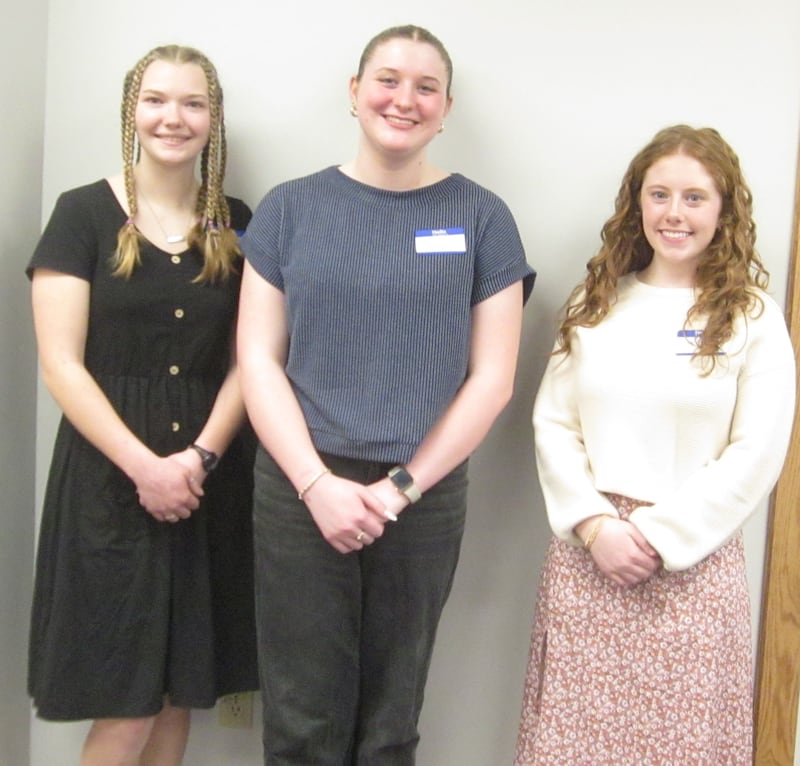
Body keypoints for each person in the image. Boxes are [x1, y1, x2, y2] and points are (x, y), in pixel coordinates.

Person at [237, 24, 535, 765]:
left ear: (446, 106)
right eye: (388, 80)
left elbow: (492, 380)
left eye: (425, 87)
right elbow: (256, 358)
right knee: (302, 718)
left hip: (423, 496)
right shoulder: (290, 209)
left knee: (391, 718)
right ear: (354, 92)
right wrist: (315, 484)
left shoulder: (482, 217)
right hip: (298, 489)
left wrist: (399, 489)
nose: (404, 99)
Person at [515, 125, 796, 765]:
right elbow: (553, 424)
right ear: (636, 203)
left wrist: (658, 538)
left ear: (724, 211)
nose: (674, 213)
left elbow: (757, 453)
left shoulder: (752, 318)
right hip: (590, 558)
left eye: (695, 198)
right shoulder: (596, 302)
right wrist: (596, 527)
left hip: (693, 571)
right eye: (659, 194)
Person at [27, 45, 258, 766]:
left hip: (205, 481)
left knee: (173, 695)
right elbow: (60, 364)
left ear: (213, 119)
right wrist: (145, 467)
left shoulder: (238, 221)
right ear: (133, 110)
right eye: (157, 99)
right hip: (109, 481)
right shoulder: (82, 214)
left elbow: (254, 358)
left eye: (192, 103)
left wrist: (198, 458)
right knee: (124, 702)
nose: (173, 117)